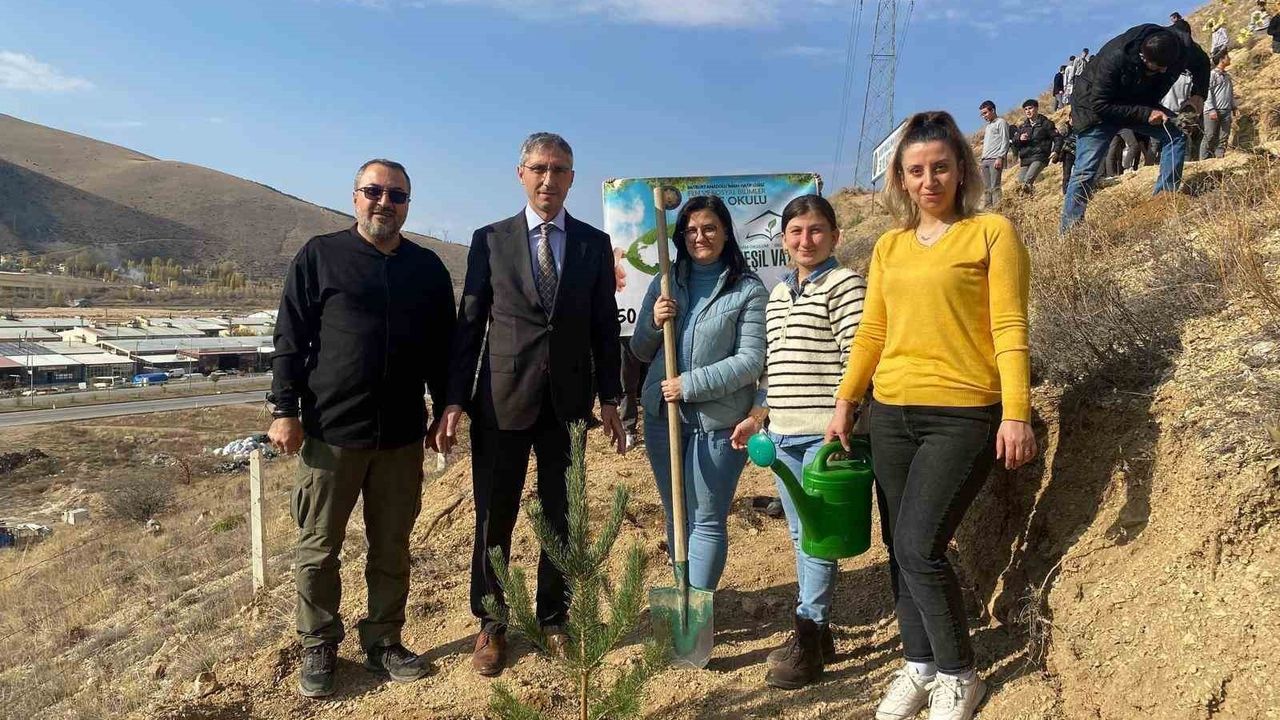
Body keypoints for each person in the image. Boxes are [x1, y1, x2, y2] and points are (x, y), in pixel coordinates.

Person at [825, 110, 1036, 720]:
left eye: (940, 167)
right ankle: (918, 665)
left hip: (962, 414)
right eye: (915, 171)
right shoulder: (889, 246)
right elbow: (872, 331)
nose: (928, 181)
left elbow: (1009, 326)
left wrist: (1016, 413)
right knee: (899, 546)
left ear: (962, 169)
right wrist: (847, 401)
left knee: (921, 546)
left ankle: (959, 674)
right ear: (900, 178)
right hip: (890, 415)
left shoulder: (991, 233)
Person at [437, 132, 626, 677]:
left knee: (561, 515)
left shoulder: (592, 243)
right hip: (501, 403)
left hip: (567, 405)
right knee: (493, 515)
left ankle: (554, 619)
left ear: (572, 178)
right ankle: (491, 622)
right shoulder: (490, 240)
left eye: (560, 169)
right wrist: (453, 399)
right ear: (521, 174)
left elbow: (603, 326)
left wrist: (610, 397)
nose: (549, 179)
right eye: (540, 168)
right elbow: (471, 323)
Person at [268, 159, 456, 698]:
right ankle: (319, 642)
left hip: (400, 436)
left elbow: (443, 349)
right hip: (330, 432)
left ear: (407, 205)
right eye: (374, 191)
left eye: (397, 196)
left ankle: (384, 640)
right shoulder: (320, 256)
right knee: (318, 547)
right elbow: (290, 337)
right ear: (355, 197)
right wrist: (284, 409)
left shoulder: (427, 268)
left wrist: (446, 407)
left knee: (392, 546)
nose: (384, 203)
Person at [730, 195, 866, 690]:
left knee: (816, 539)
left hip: (822, 437)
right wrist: (758, 418)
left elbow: (859, 357)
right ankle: (820, 634)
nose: (806, 240)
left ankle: (808, 640)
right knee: (799, 536)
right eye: (796, 232)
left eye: (816, 230)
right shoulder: (780, 292)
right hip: (783, 435)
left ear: (834, 235)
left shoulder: (845, 284)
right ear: (784, 239)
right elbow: (774, 372)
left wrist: (845, 415)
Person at [630, 194, 767, 623]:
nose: (699, 236)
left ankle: (696, 616)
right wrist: (654, 322)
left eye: (709, 228)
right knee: (677, 515)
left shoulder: (747, 289)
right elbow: (639, 350)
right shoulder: (666, 282)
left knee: (706, 519)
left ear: (725, 232)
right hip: (663, 419)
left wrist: (690, 385)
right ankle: (683, 599)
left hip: (719, 422)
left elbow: (750, 361)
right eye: (690, 230)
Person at [1060, 24, 1210, 232]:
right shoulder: (1116, 56)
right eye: (1156, 67)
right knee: (1085, 171)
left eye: (1166, 67)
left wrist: (1198, 95)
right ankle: (1070, 231)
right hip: (1096, 110)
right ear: (1142, 56)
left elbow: (1202, 63)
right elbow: (1101, 104)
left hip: (1139, 101)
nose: (1163, 71)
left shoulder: (1182, 47)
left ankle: (1165, 200)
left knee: (1175, 136)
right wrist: (1146, 114)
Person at [1010, 99, 1057, 194]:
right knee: (1020, 184)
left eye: (1030, 108)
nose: (1028, 111)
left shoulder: (1046, 123)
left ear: (1036, 108)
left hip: (1040, 157)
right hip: (1025, 158)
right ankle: (1030, 200)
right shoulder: (1023, 126)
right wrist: (1020, 138)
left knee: (1027, 181)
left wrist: (1055, 150)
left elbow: (1057, 138)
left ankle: (1030, 199)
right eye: (1026, 109)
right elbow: (1014, 142)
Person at [1201, 51, 1236, 160]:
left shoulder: (1227, 76)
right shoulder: (1211, 75)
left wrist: (1233, 106)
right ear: (1221, 59)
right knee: (1209, 135)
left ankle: (1219, 158)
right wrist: (1211, 109)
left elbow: (1230, 92)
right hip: (1212, 111)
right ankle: (1203, 159)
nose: (1229, 58)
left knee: (1223, 137)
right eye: (1227, 57)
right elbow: (1207, 92)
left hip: (1226, 110)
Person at [978, 100, 1009, 209]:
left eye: (985, 113)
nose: (984, 116)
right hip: (985, 160)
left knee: (995, 186)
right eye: (982, 114)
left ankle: (998, 209)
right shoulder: (988, 126)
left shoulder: (1001, 122)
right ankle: (988, 209)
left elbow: (1005, 141)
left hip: (995, 159)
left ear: (993, 110)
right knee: (986, 188)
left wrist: (1000, 157)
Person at [1051, 110, 1076, 195]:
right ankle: (1066, 192)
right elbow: (1059, 140)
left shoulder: (1079, 127)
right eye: (1073, 119)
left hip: (1078, 152)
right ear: (1070, 118)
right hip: (1067, 153)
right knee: (1067, 173)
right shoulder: (1064, 127)